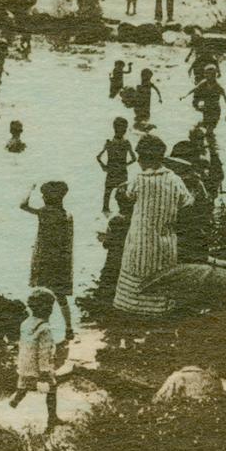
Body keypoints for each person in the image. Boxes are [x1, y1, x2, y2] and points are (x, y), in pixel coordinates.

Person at [113, 134, 194, 317]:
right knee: (162, 273)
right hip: (164, 240)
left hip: (140, 238)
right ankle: (158, 309)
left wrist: (122, 190)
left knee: (136, 270)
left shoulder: (139, 179)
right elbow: (187, 202)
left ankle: (132, 308)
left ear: (144, 158)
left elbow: (127, 196)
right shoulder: (174, 179)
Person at [10, 288, 71, 430]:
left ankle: (11, 406)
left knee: (22, 389)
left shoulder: (25, 323)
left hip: (25, 365)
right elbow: (44, 352)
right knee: (52, 389)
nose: (51, 310)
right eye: (50, 307)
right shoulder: (45, 329)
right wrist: (44, 372)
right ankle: (52, 418)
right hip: (39, 367)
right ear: (47, 309)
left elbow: (25, 346)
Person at [21, 181, 74, 304]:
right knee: (61, 297)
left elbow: (23, 205)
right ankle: (68, 323)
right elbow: (68, 242)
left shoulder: (43, 212)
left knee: (40, 291)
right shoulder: (66, 215)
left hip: (43, 258)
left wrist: (30, 188)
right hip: (60, 260)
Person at [97, 117, 135, 213]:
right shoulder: (126, 143)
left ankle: (106, 210)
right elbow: (134, 158)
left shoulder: (109, 143)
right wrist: (125, 165)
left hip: (112, 171)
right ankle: (121, 211)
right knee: (121, 194)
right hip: (121, 171)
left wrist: (104, 166)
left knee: (108, 194)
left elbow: (98, 157)